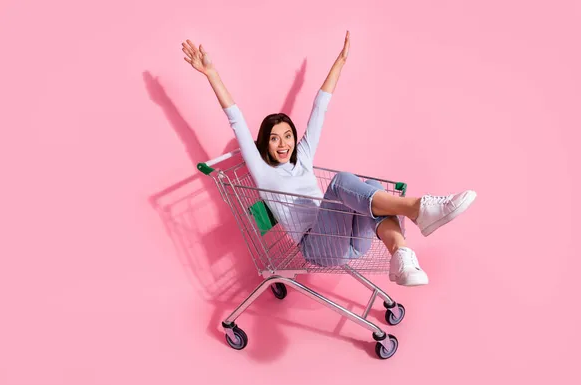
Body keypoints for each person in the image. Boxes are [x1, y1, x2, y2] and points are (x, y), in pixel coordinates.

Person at [181, 31, 477, 286]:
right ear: (264, 145)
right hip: (317, 246)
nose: (283, 144)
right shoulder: (262, 171)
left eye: (287, 136)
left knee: (371, 185)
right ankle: (418, 208)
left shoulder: (304, 157)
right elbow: (236, 119)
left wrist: (341, 62)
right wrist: (211, 74)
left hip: (350, 242)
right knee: (341, 183)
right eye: (274, 138)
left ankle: (401, 256)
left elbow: (320, 108)